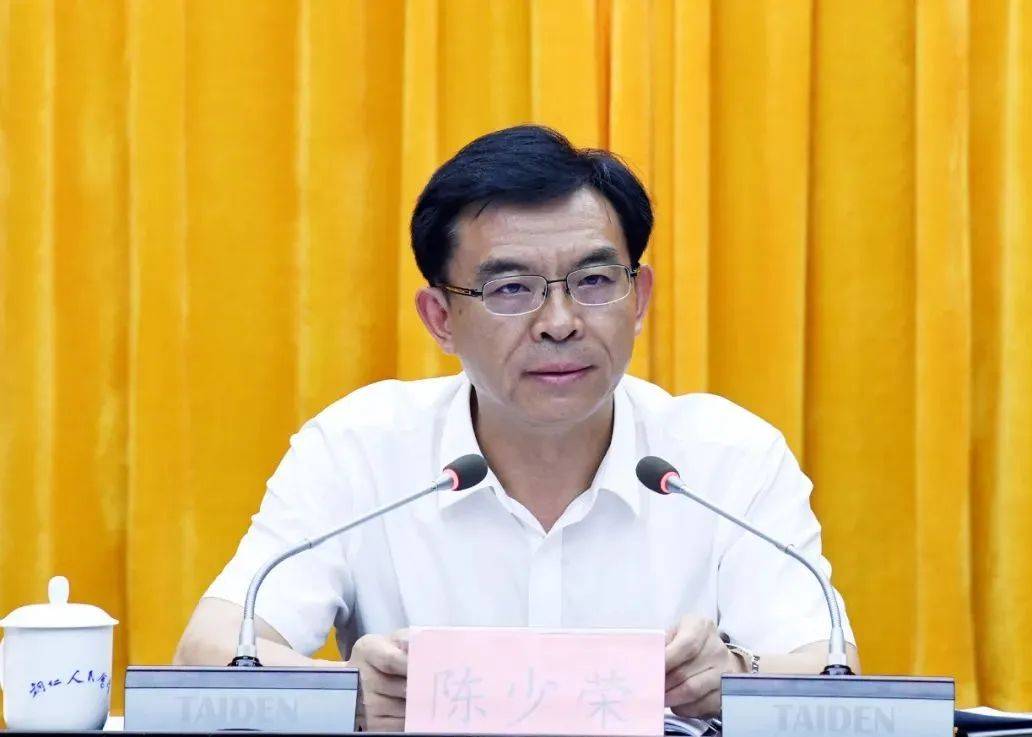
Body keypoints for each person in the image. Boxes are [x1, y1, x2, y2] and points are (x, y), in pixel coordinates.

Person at [175, 125, 859, 730]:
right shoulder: (360, 450)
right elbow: (209, 652)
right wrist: (345, 694)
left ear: (639, 297)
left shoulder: (727, 458)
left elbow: (830, 673)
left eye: (595, 281)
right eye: (511, 289)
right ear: (440, 318)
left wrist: (732, 674)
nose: (560, 322)